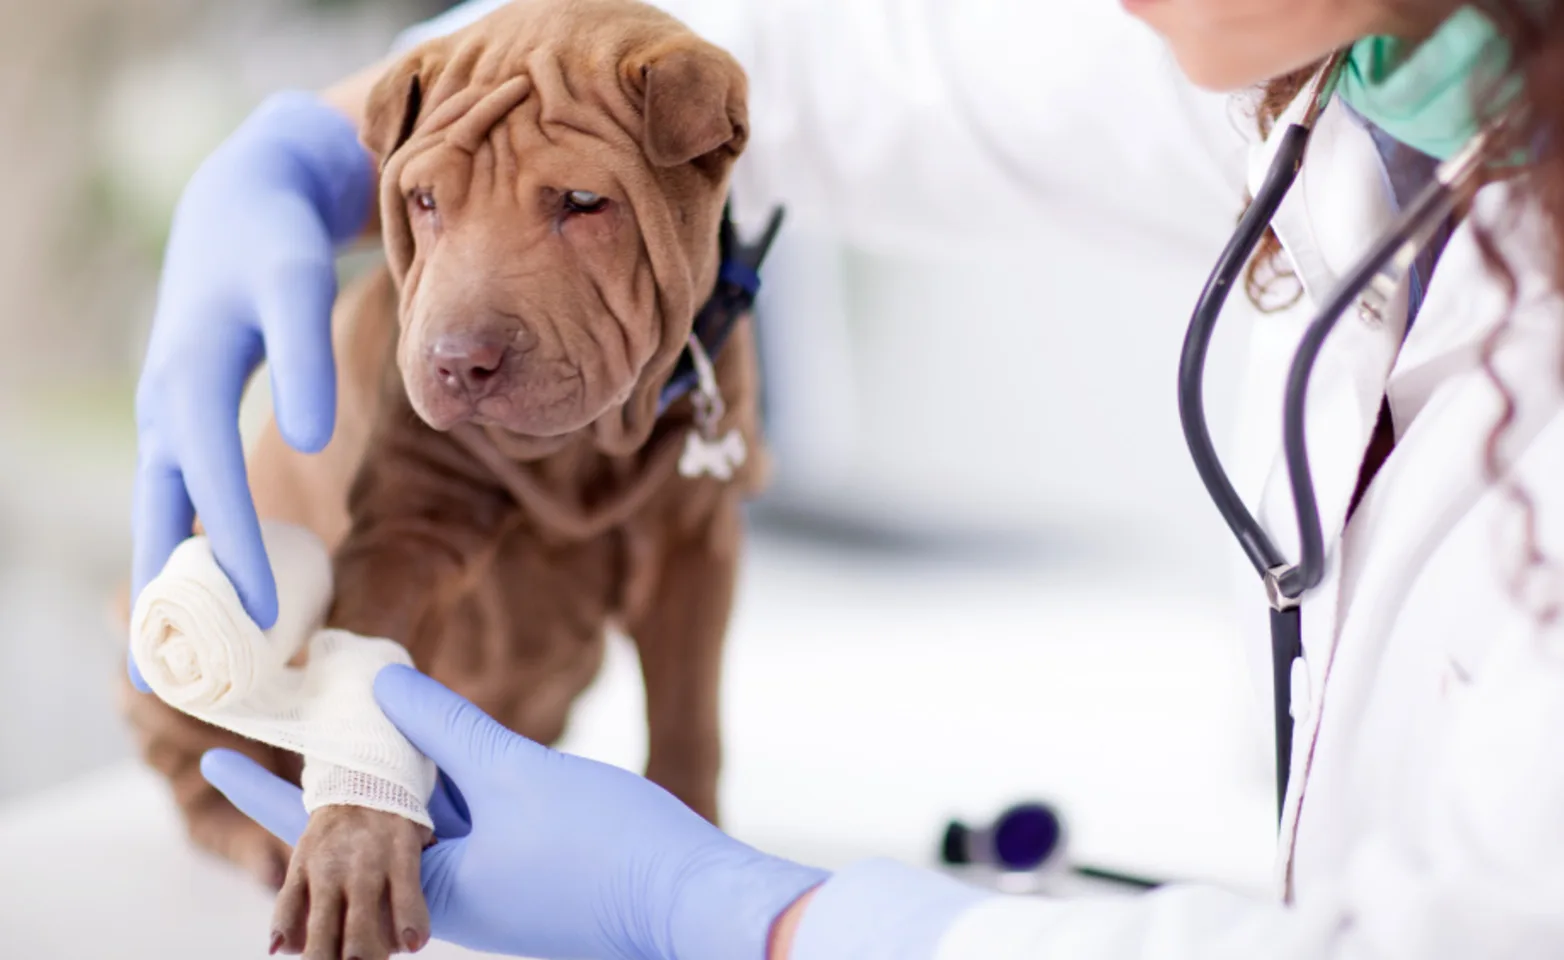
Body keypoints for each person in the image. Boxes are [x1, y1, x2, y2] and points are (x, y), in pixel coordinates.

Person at [135, 0, 1564, 956]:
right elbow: (837, 64)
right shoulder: (1362, 72)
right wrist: (325, 139)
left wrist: (745, 909)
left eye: (574, 211)